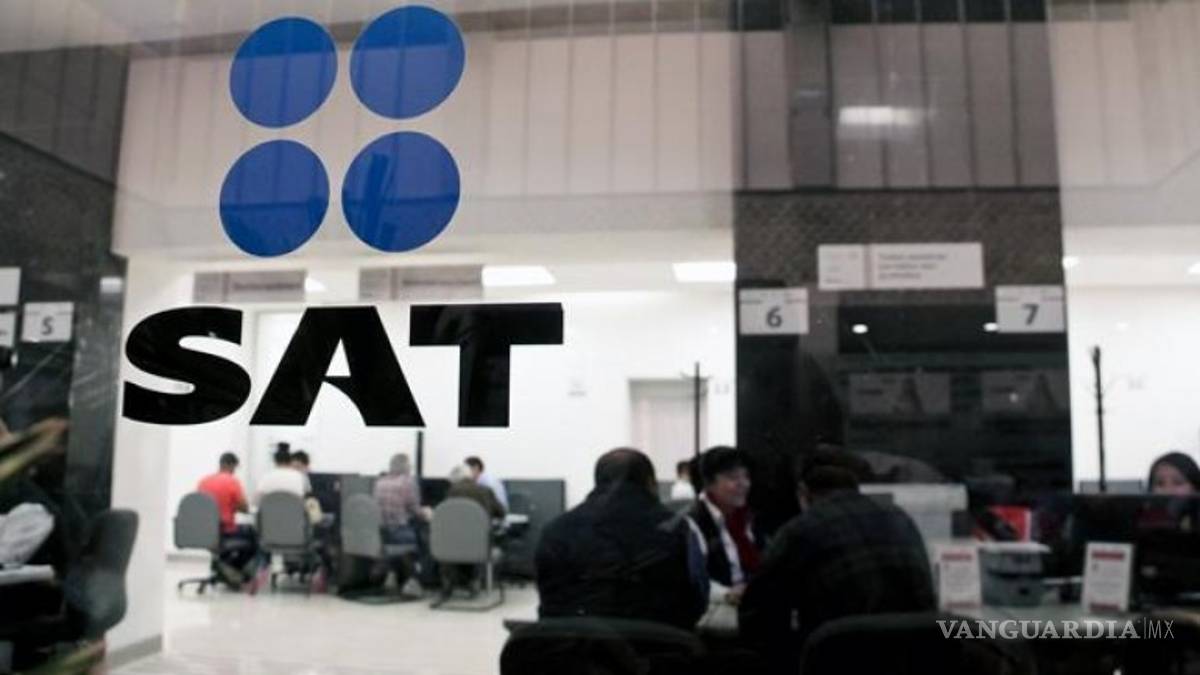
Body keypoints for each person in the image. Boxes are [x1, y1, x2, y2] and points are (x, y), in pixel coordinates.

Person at [739, 450, 934, 673]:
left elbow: (757, 618)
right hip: (914, 662)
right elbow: (927, 602)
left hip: (840, 662)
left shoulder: (799, 530)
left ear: (803, 491)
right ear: (855, 486)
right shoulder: (901, 518)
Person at [535, 448, 707, 630]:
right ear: (651, 483)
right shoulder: (680, 530)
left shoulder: (554, 531)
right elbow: (697, 599)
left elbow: (549, 599)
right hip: (659, 643)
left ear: (598, 483)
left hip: (570, 644)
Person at [687, 446, 760, 606]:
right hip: (717, 606)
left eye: (746, 476)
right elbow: (692, 578)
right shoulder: (693, 524)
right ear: (708, 484)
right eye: (733, 478)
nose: (744, 484)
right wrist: (726, 594)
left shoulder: (747, 517)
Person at [196, 452, 257, 585]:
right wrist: (234, 507)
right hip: (225, 530)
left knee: (239, 535)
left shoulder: (203, 481)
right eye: (235, 468)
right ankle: (231, 568)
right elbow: (244, 508)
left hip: (205, 531)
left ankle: (224, 567)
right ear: (231, 465)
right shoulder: (232, 481)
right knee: (255, 537)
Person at [371, 453, 428, 594]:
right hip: (400, 533)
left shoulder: (379, 482)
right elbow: (415, 510)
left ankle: (392, 574)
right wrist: (428, 513)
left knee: (397, 545)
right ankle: (414, 580)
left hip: (382, 534)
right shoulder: (408, 482)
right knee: (425, 541)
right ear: (406, 467)